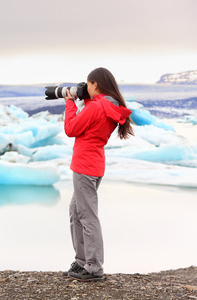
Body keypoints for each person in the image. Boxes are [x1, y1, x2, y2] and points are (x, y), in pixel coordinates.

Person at [62, 67, 134, 281]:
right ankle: (82, 261)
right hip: (93, 164)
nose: (87, 87)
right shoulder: (109, 106)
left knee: (86, 215)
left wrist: (69, 102)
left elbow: (71, 129)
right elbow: (92, 119)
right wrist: (85, 100)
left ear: (95, 84)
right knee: (76, 212)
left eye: (88, 84)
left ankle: (93, 267)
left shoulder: (99, 106)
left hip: (84, 165)